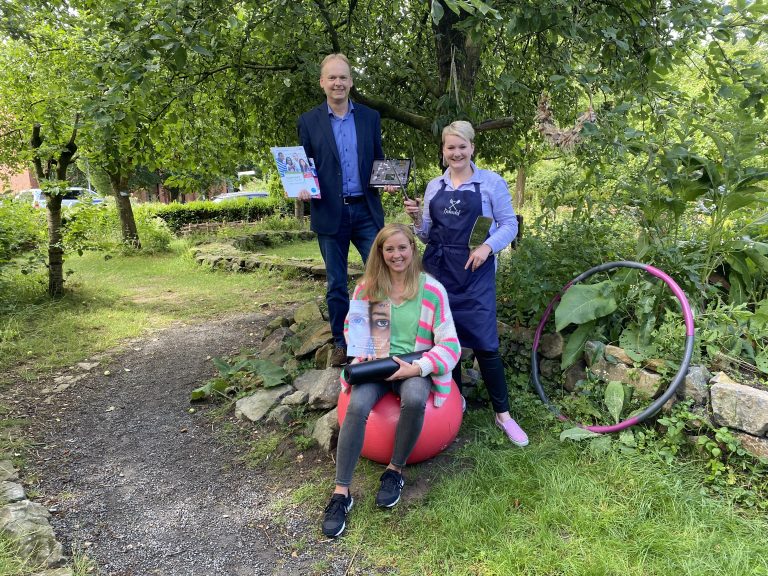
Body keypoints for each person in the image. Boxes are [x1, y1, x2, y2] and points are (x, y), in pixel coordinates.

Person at [321, 224, 460, 538]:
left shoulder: (432, 290)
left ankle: (394, 470)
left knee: (413, 398)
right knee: (356, 405)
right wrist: (364, 349)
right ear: (380, 254)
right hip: (378, 365)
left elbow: (450, 346)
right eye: (389, 249)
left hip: (413, 365)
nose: (397, 255)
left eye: (402, 248)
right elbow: (354, 334)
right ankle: (341, 493)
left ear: (412, 249)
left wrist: (418, 368)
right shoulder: (369, 288)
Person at [404, 120, 529, 448]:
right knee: (445, 342)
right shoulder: (434, 186)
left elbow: (509, 225)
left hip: (475, 276)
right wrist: (416, 218)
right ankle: (454, 402)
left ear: (472, 148)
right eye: (450, 147)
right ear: (443, 151)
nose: (456, 153)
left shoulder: (491, 183)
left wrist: (488, 246)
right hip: (439, 274)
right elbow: (426, 235)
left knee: (486, 344)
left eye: (462, 146)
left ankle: (503, 414)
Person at [298, 53, 396, 368]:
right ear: (322, 83)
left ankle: (378, 343)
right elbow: (304, 167)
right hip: (329, 212)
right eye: (332, 78)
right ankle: (343, 344)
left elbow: (379, 159)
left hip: (366, 211)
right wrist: (301, 188)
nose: (338, 83)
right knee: (336, 283)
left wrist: (388, 181)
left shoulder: (370, 117)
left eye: (343, 77)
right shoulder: (308, 121)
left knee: (380, 277)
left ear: (351, 82)